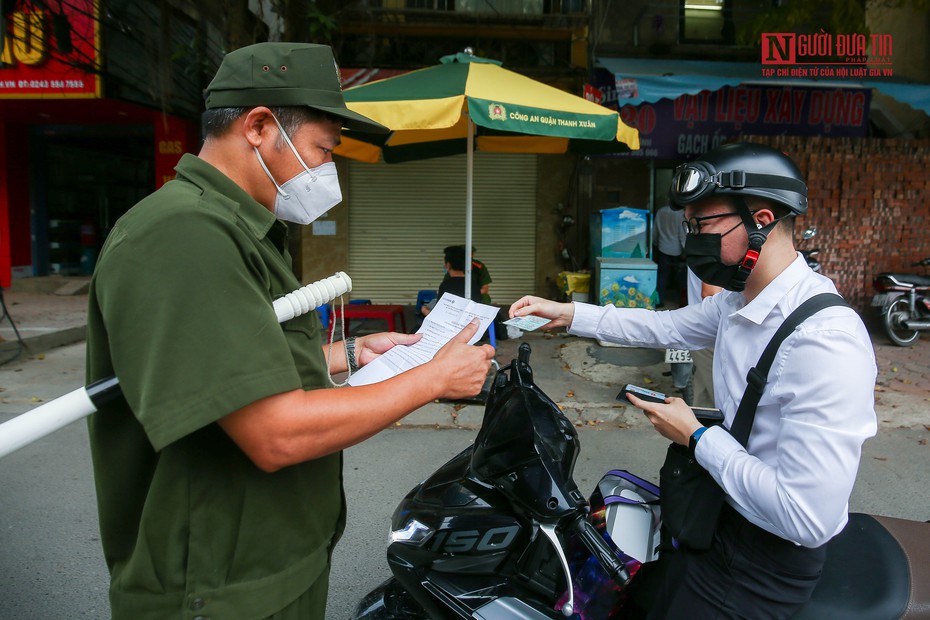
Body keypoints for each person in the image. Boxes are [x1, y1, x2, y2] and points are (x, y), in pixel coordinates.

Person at [85, 42, 495, 620]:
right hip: (220, 588)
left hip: (269, 565)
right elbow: (276, 433)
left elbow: (228, 362)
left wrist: (348, 352)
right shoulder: (184, 235)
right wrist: (433, 379)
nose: (329, 170)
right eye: (322, 150)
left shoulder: (238, 227)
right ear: (258, 127)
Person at [509, 142, 877, 619]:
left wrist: (697, 436)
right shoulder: (739, 300)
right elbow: (664, 327)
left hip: (764, 562)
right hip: (719, 516)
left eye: (703, 226)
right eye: (689, 227)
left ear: (761, 220)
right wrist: (567, 312)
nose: (691, 240)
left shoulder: (825, 341)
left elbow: (805, 518)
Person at [686, 268, 722, 408]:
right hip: (715, 333)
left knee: (704, 400)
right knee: (721, 402)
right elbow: (710, 293)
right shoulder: (721, 246)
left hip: (703, 331)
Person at [421, 245, 483, 316]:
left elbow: (440, 314)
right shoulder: (474, 284)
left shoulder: (446, 285)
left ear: (448, 264)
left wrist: (425, 311)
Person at [652, 203, 686, 307]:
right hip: (677, 250)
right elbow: (682, 234)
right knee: (681, 278)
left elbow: (655, 229)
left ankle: (659, 301)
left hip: (663, 248)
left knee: (662, 276)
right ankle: (682, 302)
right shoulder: (681, 214)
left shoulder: (661, 211)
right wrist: (685, 250)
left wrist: (655, 243)